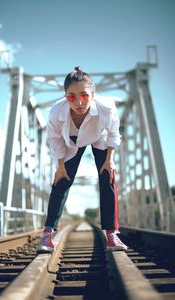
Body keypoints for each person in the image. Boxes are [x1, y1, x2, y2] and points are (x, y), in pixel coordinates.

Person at [36, 66, 127, 253]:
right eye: (71, 96)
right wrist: (60, 166)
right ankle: (47, 234)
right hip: (72, 142)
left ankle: (111, 234)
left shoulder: (107, 107)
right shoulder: (56, 112)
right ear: (65, 96)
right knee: (61, 181)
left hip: (99, 138)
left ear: (93, 94)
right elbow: (54, 140)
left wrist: (110, 160)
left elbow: (113, 134)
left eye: (84, 95)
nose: (78, 102)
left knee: (108, 178)